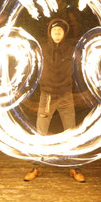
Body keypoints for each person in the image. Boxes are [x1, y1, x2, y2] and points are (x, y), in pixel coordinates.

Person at [23, 16, 85, 183]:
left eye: (60, 30)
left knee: (71, 133)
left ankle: (74, 167)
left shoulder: (72, 50)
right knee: (41, 133)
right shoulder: (41, 49)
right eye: (54, 30)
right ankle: (36, 166)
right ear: (50, 33)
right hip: (47, 97)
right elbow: (29, 66)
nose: (57, 32)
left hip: (65, 97)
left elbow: (84, 66)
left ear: (64, 33)